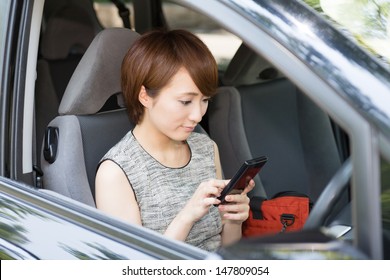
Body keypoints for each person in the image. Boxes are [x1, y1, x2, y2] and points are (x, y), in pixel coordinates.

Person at [95, 29, 254, 252]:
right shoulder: (117, 172)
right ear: (145, 96)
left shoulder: (206, 148)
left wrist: (234, 221)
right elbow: (135, 267)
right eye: (186, 101)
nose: (198, 116)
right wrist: (186, 217)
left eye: (205, 100)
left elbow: (227, 250)